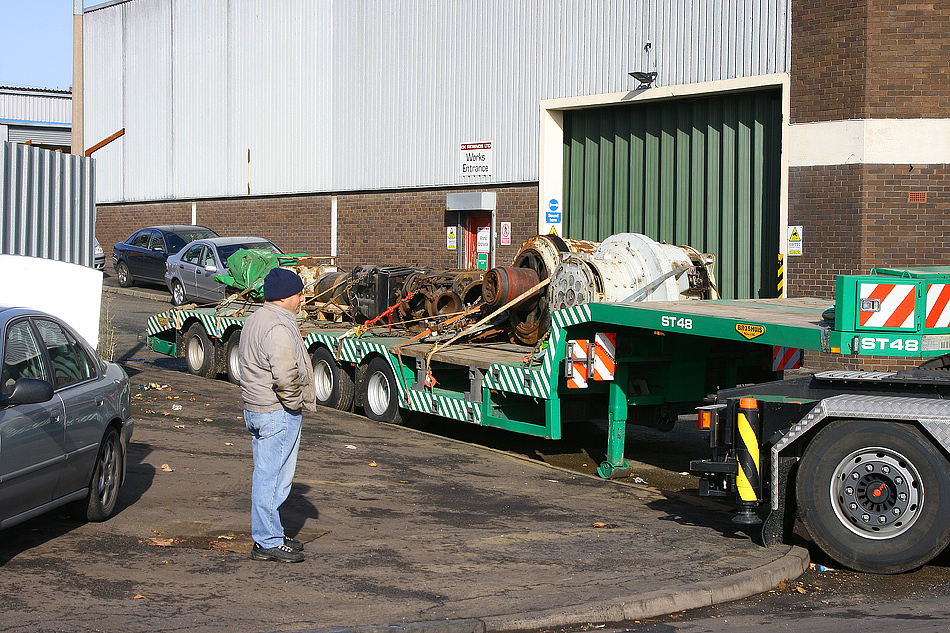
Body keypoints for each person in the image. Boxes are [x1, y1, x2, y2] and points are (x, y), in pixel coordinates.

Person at [239, 267, 316, 563]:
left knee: (266, 474)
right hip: (276, 412)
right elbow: (285, 375)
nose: (301, 299)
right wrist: (294, 404)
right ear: (285, 297)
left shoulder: (257, 318)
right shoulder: (279, 327)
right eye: (298, 294)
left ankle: (271, 532)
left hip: (256, 408)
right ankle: (267, 541)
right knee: (273, 479)